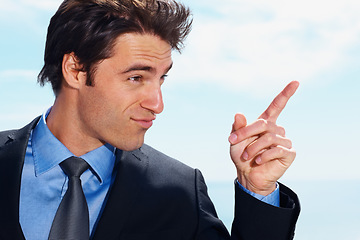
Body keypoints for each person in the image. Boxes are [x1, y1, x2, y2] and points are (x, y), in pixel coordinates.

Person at [0, 0, 300, 239]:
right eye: (136, 77)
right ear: (75, 69)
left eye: (161, 78)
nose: (157, 104)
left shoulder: (180, 191)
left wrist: (257, 190)